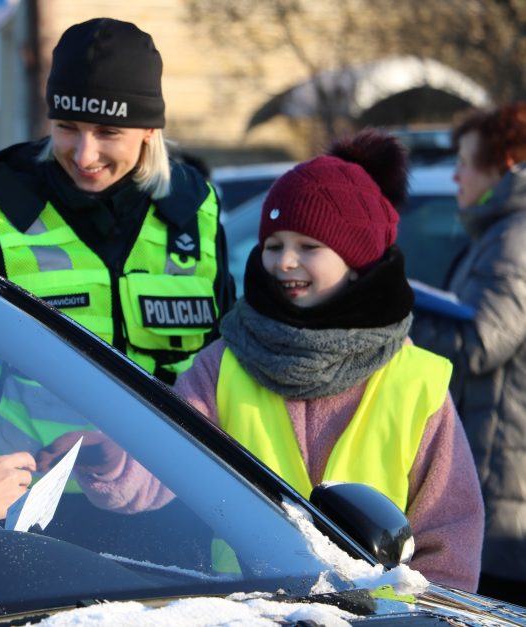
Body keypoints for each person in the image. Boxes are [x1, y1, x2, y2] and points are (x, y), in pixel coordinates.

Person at [0, 17, 231, 555]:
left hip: (173, 505)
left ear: (149, 131)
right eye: (67, 126)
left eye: (108, 133)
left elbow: (221, 368)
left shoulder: (195, 211)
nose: (84, 154)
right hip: (35, 513)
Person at [173, 130, 484, 591]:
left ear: (356, 259)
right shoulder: (221, 365)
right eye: (274, 245)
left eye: (308, 247)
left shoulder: (417, 381)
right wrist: (112, 461)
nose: (284, 262)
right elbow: (165, 474)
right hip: (246, 615)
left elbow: (450, 536)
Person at [410, 103, 526, 604]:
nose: (456, 174)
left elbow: (483, 341)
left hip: (506, 470)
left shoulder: (516, 235)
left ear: (503, 165)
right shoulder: (504, 232)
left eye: (465, 161)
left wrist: (402, 313)